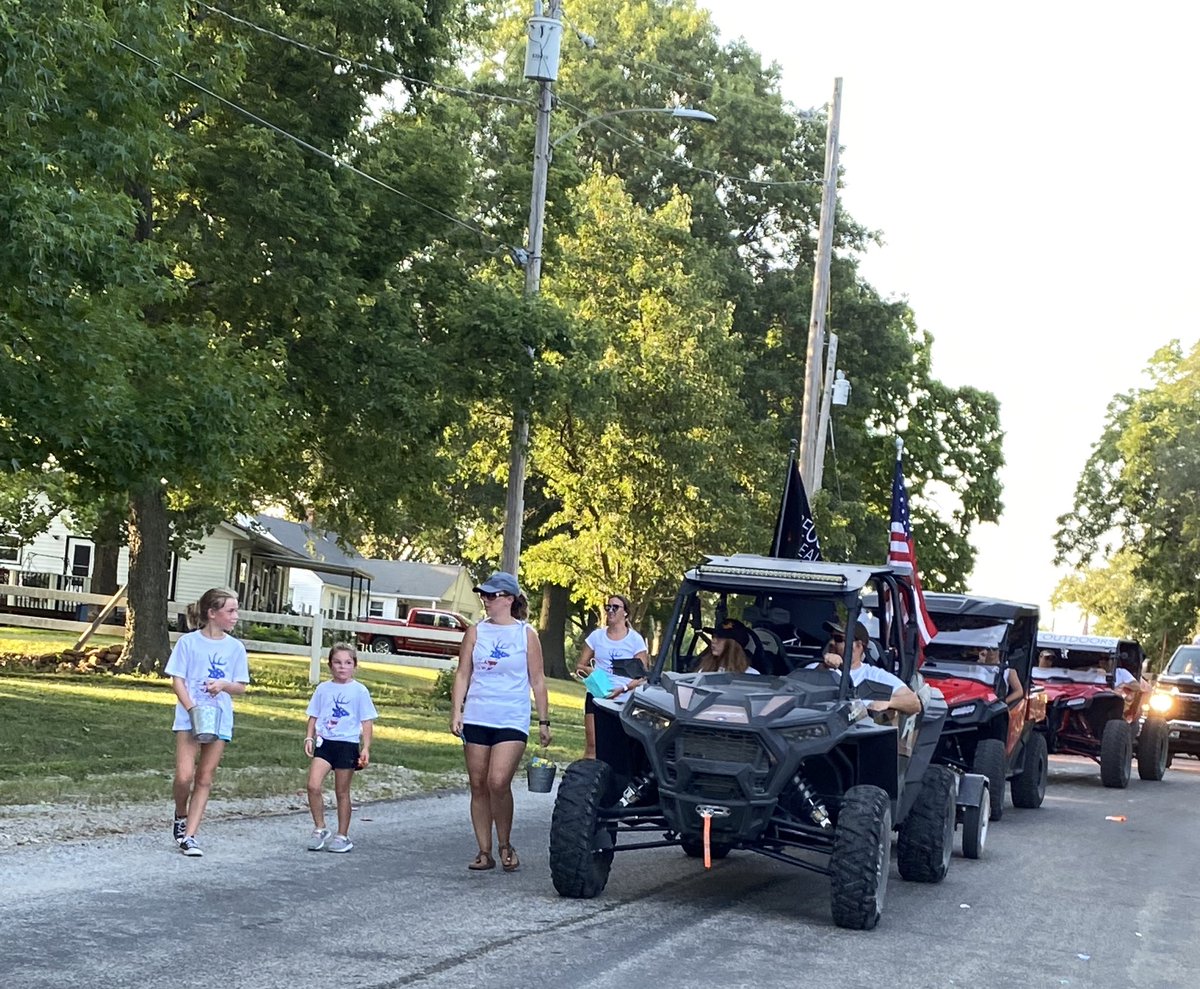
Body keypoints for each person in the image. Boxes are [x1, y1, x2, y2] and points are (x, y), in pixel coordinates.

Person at [450, 572, 551, 873]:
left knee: (498, 781)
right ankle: (485, 850)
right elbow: (463, 674)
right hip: (479, 715)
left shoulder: (525, 634)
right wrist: (457, 711)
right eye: (484, 595)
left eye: (492, 596)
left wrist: (543, 721)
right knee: (478, 784)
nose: (486, 600)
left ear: (509, 599)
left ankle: (505, 843)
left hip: (511, 716)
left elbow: (537, 679)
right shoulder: (476, 632)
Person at [166, 587, 250, 857]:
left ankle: (190, 836)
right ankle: (181, 813)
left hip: (219, 719)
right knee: (184, 776)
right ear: (212, 614)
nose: (236, 616)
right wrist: (191, 708)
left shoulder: (235, 648)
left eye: (236, 610)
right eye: (231, 611)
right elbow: (177, 679)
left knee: (204, 777)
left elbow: (241, 686)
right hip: (189, 717)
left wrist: (224, 684)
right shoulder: (189, 643)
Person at [304, 642, 378, 854]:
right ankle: (320, 827)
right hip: (326, 742)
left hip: (347, 744)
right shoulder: (323, 689)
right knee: (313, 785)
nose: (342, 667)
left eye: (347, 662)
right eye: (337, 662)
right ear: (330, 665)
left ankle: (342, 835)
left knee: (341, 791)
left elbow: (366, 722)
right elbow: (314, 715)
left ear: (354, 665)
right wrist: (309, 737)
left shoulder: (359, 691)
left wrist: (366, 748)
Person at [575, 594, 649, 760]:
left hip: (623, 698)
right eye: (608, 607)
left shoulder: (635, 640)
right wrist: (590, 672)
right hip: (597, 695)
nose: (610, 610)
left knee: (618, 746)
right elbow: (579, 666)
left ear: (625, 613)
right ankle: (588, 779)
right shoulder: (596, 636)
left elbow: (642, 677)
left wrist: (623, 688)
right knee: (593, 743)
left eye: (615, 607)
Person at [818, 620, 921, 715]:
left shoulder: (874, 675)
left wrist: (889, 702)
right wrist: (823, 667)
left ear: (858, 646)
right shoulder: (815, 667)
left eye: (838, 639)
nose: (831, 643)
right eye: (830, 638)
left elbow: (914, 702)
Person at [696, 619, 760, 674]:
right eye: (714, 636)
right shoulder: (705, 670)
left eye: (720, 638)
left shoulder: (751, 675)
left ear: (734, 645)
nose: (713, 641)